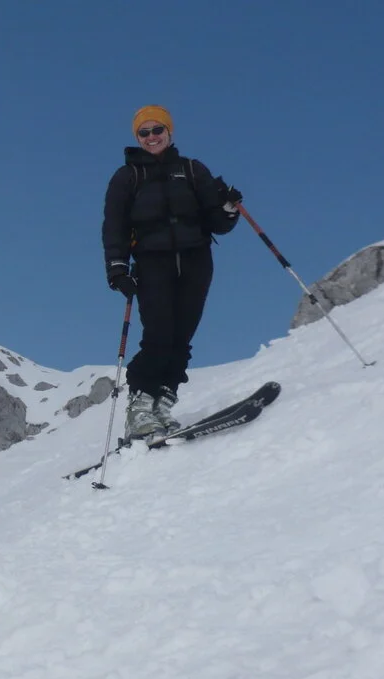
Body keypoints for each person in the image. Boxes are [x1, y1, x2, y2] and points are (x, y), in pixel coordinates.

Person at [101, 105, 244, 440]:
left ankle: (163, 401)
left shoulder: (192, 170)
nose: (152, 137)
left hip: (196, 260)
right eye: (144, 132)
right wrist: (117, 267)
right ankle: (140, 406)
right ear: (137, 137)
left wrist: (228, 207)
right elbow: (114, 226)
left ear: (169, 132)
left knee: (183, 335)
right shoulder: (127, 177)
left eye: (157, 130)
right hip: (152, 262)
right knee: (159, 333)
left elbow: (218, 223)